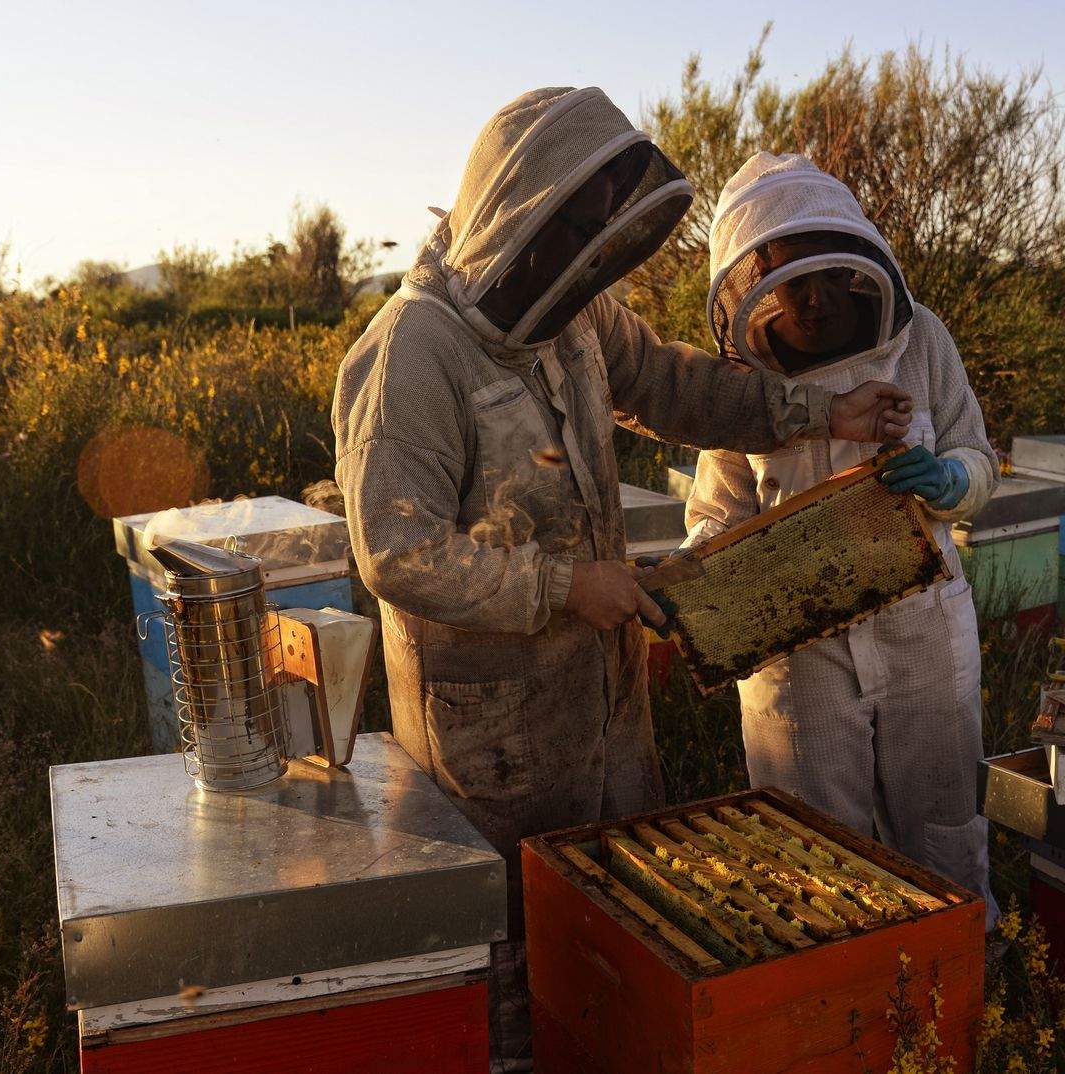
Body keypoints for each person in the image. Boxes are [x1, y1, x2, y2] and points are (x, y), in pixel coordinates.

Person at [332, 89, 912, 1070]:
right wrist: (565, 588)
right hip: (490, 750)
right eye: (576, 233)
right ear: (520, 214)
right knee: (513, 973)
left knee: (611, 957)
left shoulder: (577, 315)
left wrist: (821, 414)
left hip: (604, 717)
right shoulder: (411, 352)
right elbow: (398, 552)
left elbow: (677, 387)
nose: (589, 260)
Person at [683, 152, 1001, 931]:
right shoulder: (744, 380)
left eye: (831, 281)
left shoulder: (920, 339)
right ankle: (835, 998)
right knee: (816, 846)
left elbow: (977, 453)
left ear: (859, 266)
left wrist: (952, 482)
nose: (818, 304)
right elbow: (714, 512)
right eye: (796, 284)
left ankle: (959, 968)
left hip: (922, 630)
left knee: (944, 820)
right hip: (798, 654)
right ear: (759, 277)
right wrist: (704, 576)